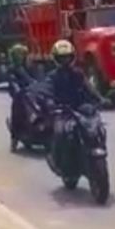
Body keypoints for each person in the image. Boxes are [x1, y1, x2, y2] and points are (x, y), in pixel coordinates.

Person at [46, 40, 104, 171]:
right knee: (59, 131)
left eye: (67, 57)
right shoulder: (52, 77)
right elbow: (47, 92)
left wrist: (100, 99)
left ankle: (97, 147)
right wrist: (50, 103)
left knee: (97, 127)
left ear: (72, 57)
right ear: (56, 59)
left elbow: (88, 88)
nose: (65, 60)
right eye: (61, 58)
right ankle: (56, 160)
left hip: (79, 109)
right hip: (62, 111)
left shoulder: (78, 74)